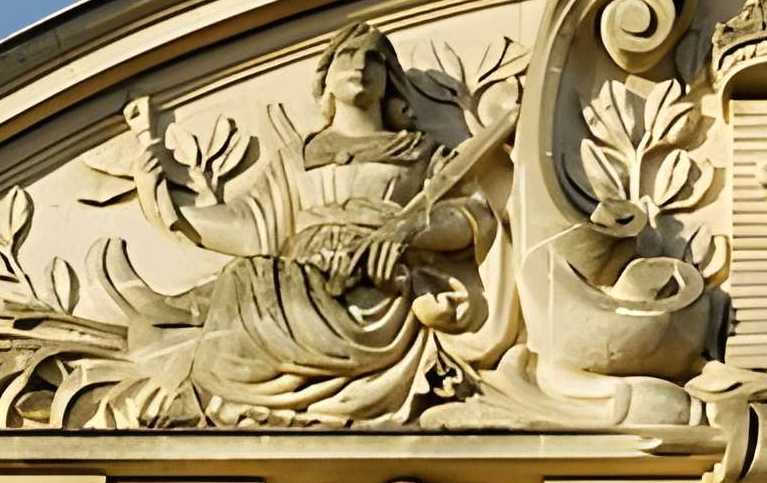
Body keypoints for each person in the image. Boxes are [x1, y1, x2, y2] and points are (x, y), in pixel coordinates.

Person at [124, 23, 497, 422]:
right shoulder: (298, 156)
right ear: (327, 80)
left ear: (390, 82)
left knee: (241, 285)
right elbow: (252, 227)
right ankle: (214, 400)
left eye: (375, 58)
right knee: (230, 286)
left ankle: (214, 402)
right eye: (348, 56)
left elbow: (469, 216)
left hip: (376, 285)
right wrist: (163, 203)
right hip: (298, 280)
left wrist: (405, 233)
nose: (361, 65)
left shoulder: (420, 151)